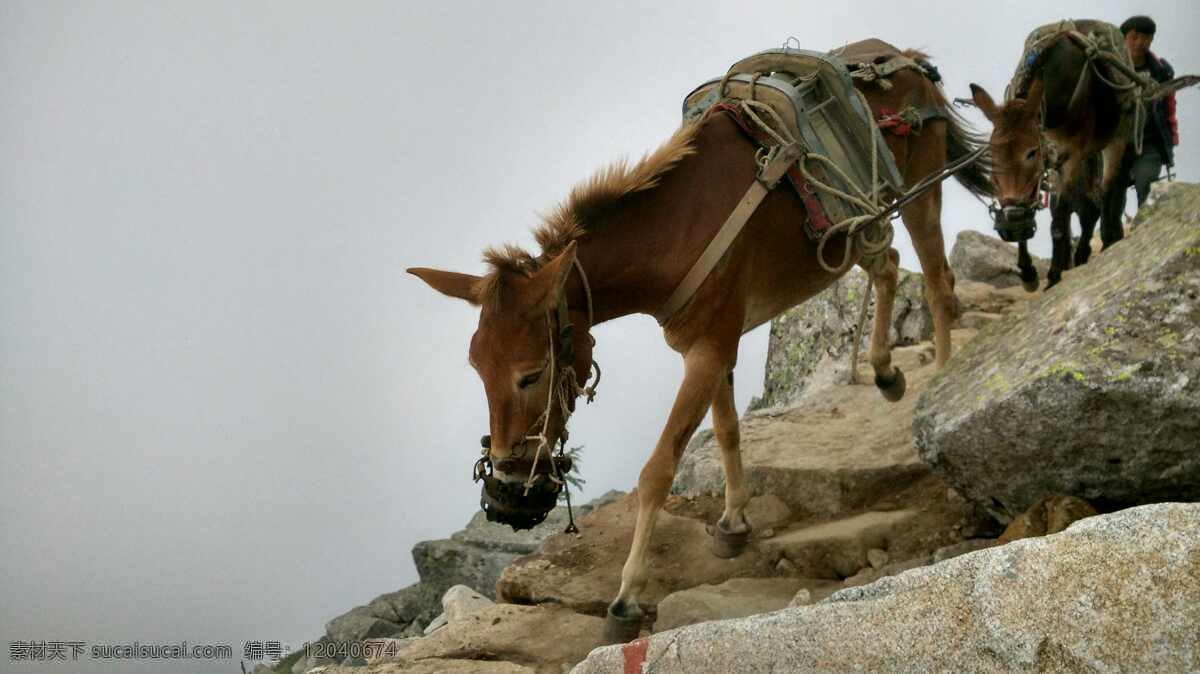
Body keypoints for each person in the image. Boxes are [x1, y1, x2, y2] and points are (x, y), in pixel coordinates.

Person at [1117, 15, 1179, 209]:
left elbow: (1169, 107)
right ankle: (1113, 238)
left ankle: (1147, 230)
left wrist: (1172, 138)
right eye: (1134, 37)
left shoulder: (1161, 71)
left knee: (1147, 183)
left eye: (1145, 37)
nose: (1139, 42)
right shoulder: (1108, 68)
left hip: (1149, 143)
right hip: (1115, 144)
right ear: (1123, 39)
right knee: (1111, 193)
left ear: (1151, 40)